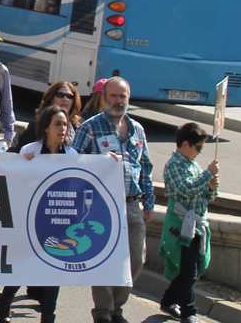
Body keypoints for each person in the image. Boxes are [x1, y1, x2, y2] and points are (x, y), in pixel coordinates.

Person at [74, 76, 153, 323]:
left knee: (136, 259)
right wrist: (98, 163)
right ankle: (104, 312)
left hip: (131, 203)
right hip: (100, 206)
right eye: (114, 96)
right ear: (104, 98)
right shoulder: (90, 127)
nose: (118, 101)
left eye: (123, 97)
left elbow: (146, 167)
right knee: (103, 259)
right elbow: (73, 162)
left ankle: (118, 306)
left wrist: (149, 201)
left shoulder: (137, 129)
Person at [0, 105, 76, 323]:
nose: (62, 128)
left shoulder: (71, 154)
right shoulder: (30, 150)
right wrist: (26, 165)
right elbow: (16, 183)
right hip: (31, 221)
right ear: (47, 128)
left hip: (58, 223)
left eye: (65, 124)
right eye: (57, 124)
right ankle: (5, 302)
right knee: (25, 265)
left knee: (54, 271)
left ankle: (48, 315)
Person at [159, 122, 218, 323]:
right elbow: (187, 189)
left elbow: (204, 195)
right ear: (185, 144)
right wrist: (207, 174)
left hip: (196, 224)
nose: (200, 152)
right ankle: (189, 312)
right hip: (180, 225)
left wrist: (210, 187)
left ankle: (168, 300)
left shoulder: (193, 164)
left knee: (190, 269)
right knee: (187, 270)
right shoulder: (174, 165)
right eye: (198, 147)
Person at [14, 81, 82, 150]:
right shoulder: (37, 125)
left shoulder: (77, 128)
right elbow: (19, 151)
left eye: (69, 96)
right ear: (51, 98)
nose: (65, 99)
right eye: (60, 95)